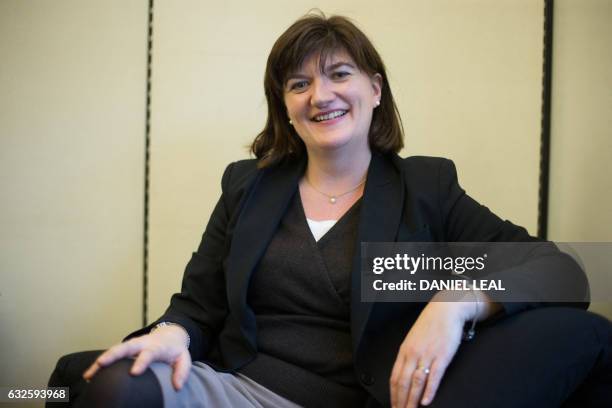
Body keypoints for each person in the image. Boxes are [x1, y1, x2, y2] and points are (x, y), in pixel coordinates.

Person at [48, 13, 612, 408]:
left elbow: (562, 269)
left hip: (358, 397)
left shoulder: (425, 186)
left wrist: (457, 299)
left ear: (374, 88)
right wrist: (174, 331)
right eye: (300, 83)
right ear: (286, 107)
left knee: (587, 335)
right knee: (109, 382)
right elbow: (198, 305)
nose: (321, 95)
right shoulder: (247, 186)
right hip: (238, 390)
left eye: (339, 74)